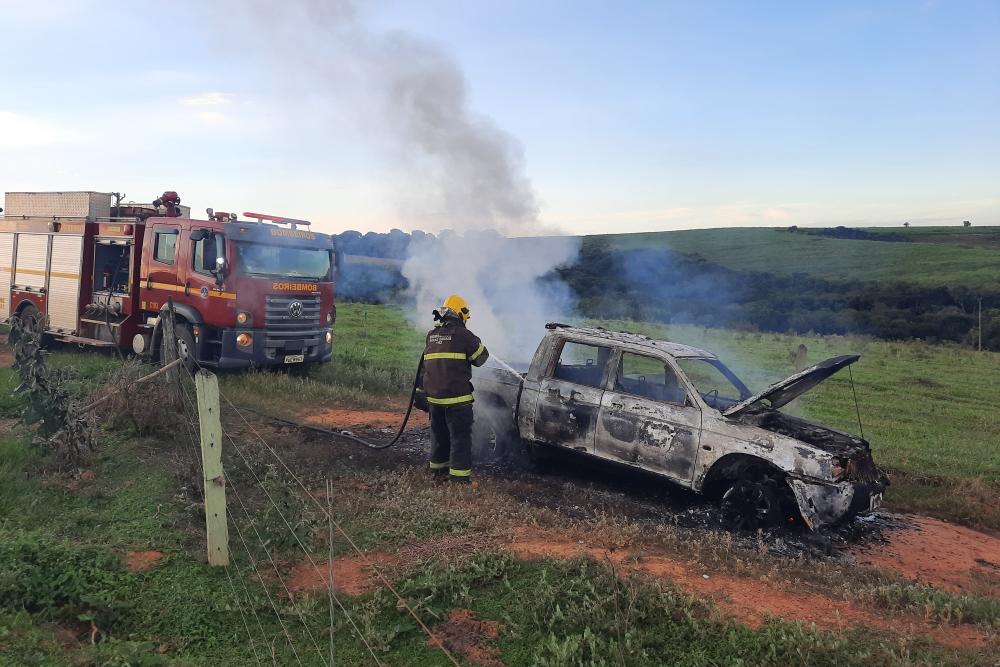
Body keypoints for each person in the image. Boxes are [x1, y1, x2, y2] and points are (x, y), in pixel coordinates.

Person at [421, 294, 489, 483]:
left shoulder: (432, 335)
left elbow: (426, 366)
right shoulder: (464, 335)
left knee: (439, 435)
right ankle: (459, 481)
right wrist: (476, 342)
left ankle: (437, 472)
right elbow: (481, 358)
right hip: (457, 400)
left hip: (434, 399)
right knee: (460, 438)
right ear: (461, 314)